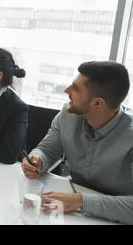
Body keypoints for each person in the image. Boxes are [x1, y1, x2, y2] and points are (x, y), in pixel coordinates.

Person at [22, 61, 133, 225]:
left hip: (115, 216)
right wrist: (37, 160)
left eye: (75, 88)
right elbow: (47, 149)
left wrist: (81, 201)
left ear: (98, 103)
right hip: (70, 214)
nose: (66, 91)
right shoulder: (67, 115)